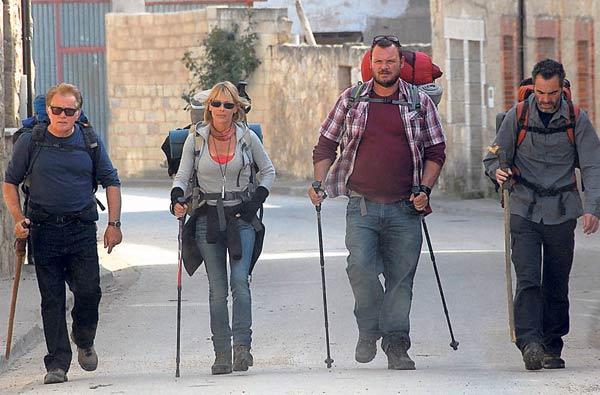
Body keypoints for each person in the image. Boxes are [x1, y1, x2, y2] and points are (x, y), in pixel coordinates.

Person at [308, 35, 446, 370]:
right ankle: (369, 329)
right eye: (379, 61)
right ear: (371, 63)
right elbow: (326, 145)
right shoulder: (352, 100)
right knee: (360, 270)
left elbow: (435, 152)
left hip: (405, 207)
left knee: (401, 278)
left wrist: (424, 190)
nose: (384, 67)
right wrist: (318, 182)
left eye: (390, 61)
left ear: (401, 64)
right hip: (363, 206)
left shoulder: (418, 103)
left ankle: (397, 345)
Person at [483, 59, 600, 370]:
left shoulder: (577, 119)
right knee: (528, 278)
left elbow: (592, 165)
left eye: (552, 93)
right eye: (540, 92)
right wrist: (497, 172)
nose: (546, 99)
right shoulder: (517, 116)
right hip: (523, 207)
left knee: (557, 281)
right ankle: (530, 342)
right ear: (532, 88)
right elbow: (491, 156)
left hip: (562, 211)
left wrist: (593, 209)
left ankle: (551, 344)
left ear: (562, 88)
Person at [2, 83, 122, 384]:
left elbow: (111, 181)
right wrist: (18, 219)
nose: (63, 116)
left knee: (89, 291)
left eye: (69, 111)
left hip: (80, 229)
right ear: (49, 112)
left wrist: (114, 225)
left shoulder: (90, 141)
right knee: (52, 299)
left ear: (77, 112)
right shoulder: (31, 141)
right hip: (43, 230)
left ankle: (83, 338)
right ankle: (57, 363)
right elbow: (10, 183)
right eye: (57, 110)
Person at [170, 81, 275, 375]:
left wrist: (256, 200)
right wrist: (177, 196)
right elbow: (182, 176)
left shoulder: (246, 137)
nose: (221, 110)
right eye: (216, 104)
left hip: (242, 218)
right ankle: (221, 353)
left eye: (228, 105)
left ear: (237, 109)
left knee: (240, 281)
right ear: (208, 107)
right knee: (217, 289)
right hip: (208, 220)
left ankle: (243, 347)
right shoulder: (197, 138)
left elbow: (268, 171)